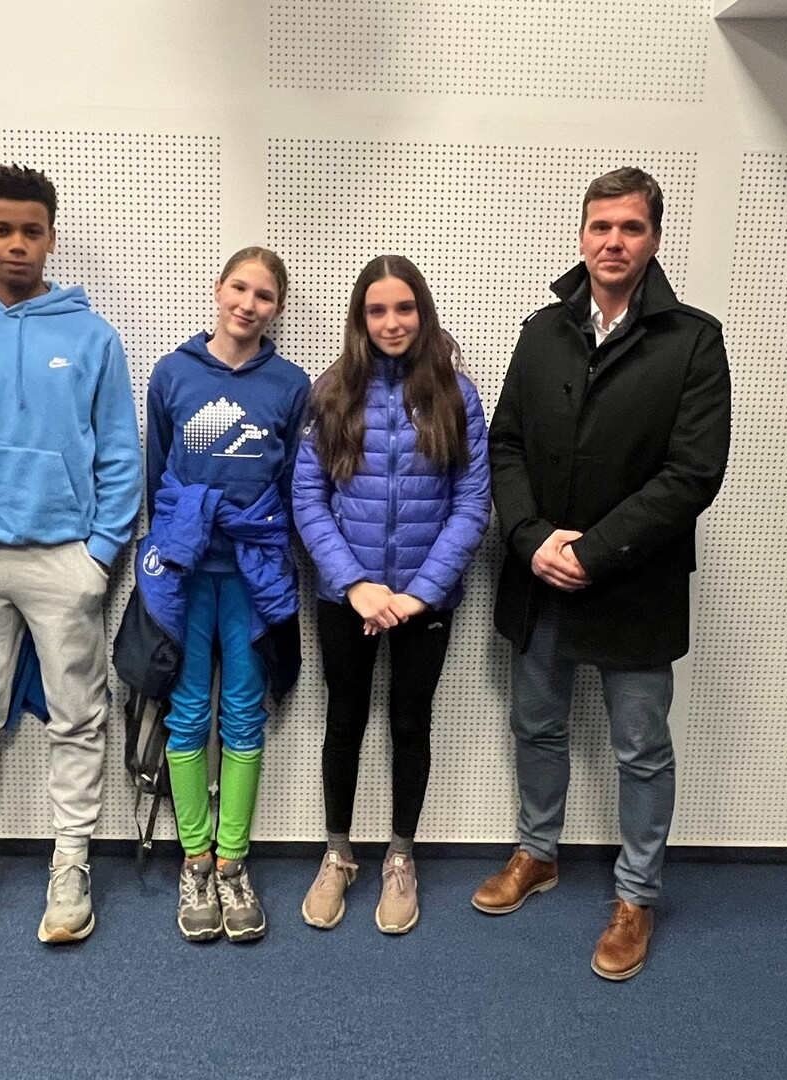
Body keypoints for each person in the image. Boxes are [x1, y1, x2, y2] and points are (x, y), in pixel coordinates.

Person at [478, 167, 731, 980]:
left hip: (634, 583)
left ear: (653, 239)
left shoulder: (693, 341)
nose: (613, 241)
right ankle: (537, 853)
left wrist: (592, 552)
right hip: (539, 574)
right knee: (536, 724)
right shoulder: (542, 331)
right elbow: (506, 444)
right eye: (600, 226)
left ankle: (636, 896)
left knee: (642, 748)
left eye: (630, 227)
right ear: (581, 235)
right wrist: (531, 538)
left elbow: (693, 475)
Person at [0, 164, 141, 945]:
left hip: (61, 559)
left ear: (50, 237)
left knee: (77, 716)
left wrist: (98, 554)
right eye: (2, 230)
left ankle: (70, 859)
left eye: (31, 231)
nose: (17, 244)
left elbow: (120, 453)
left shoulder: (91, 336)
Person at [292, 255, 490, 935]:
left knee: (411, 723)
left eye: (404, 307)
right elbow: (308, 499)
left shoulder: (456, 396)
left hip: (423, 604)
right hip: (345, 597)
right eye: (377, 310)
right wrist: (355, 583)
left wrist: (419, 594)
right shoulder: (331, 393)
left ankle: (400, 858)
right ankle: (338, 853)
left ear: (422, 312)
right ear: (360, 318)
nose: (392, 322)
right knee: (344, 721)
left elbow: (472, 503)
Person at [144, 247, 309, 942]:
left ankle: (232, 861)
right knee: (186, 715)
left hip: (253, 574)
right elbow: (157, 476)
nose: (248, 304)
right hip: (186, 573)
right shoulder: (173, 373)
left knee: (243, 715)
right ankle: (195, 860)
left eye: (264, 295)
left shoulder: (290, 385)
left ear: (277, 309)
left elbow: (294, 487)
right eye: (239, 288)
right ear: (218, 290)